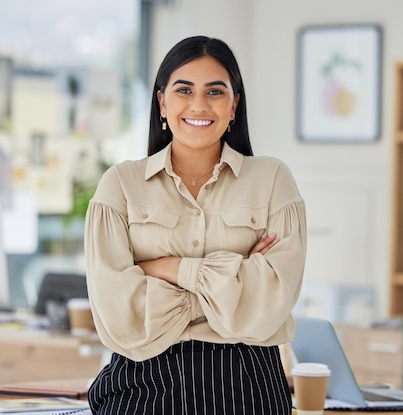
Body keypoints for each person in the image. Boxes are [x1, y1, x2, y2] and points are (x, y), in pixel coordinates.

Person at [83, 35, 307, 414]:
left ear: (234, 104)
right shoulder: (120, 185)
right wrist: (232, 281)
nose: (199, 104)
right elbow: (117, 315)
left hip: (248, 388)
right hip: (140, 389)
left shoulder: (272, 179)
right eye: (184, 89)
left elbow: (268, 307)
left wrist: (165, 269)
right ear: (162, 102)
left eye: (215, 91)